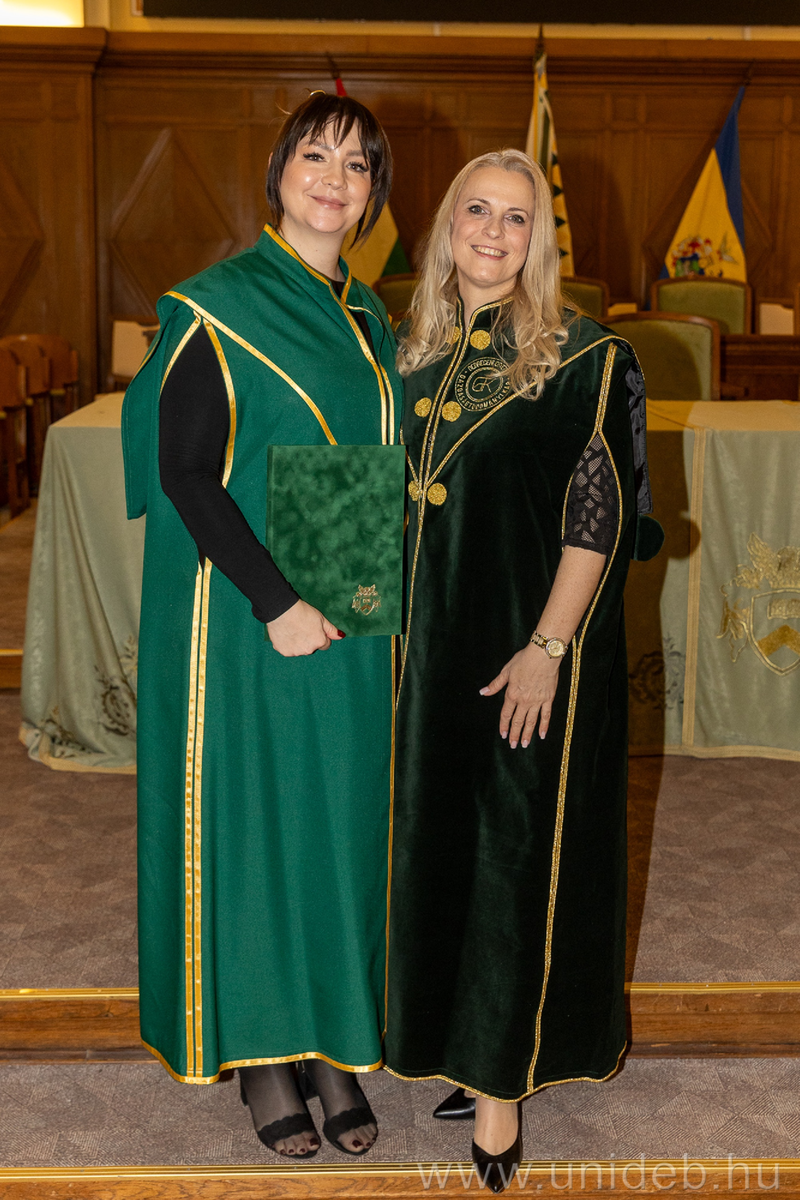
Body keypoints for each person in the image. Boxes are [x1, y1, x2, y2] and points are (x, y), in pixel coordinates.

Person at [121, 93, 402, 1159]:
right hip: (247, 612)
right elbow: (184, 470)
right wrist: (276, 602)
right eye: (315, 155)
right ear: (280, 170)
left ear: (375, 194)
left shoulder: (368, 314)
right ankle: (264, 1056)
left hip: (350, 594)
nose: (334, 177)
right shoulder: (220, 305)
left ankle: (331, 1041)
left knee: (335, 823)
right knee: (254, 824)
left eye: (357, 164)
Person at [384, 149, 659, 1193]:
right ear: (446, 225)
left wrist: (547, 650)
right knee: (424, 846)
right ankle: (433, 1038)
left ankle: (497, 1085)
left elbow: (598, 519)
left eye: (516, 218)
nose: (492, 233)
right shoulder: (397, 348)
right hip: (411, 654)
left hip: (518, 652)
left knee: (509, 855)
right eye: (476, 211)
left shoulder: (587, 360)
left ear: (539, 240)